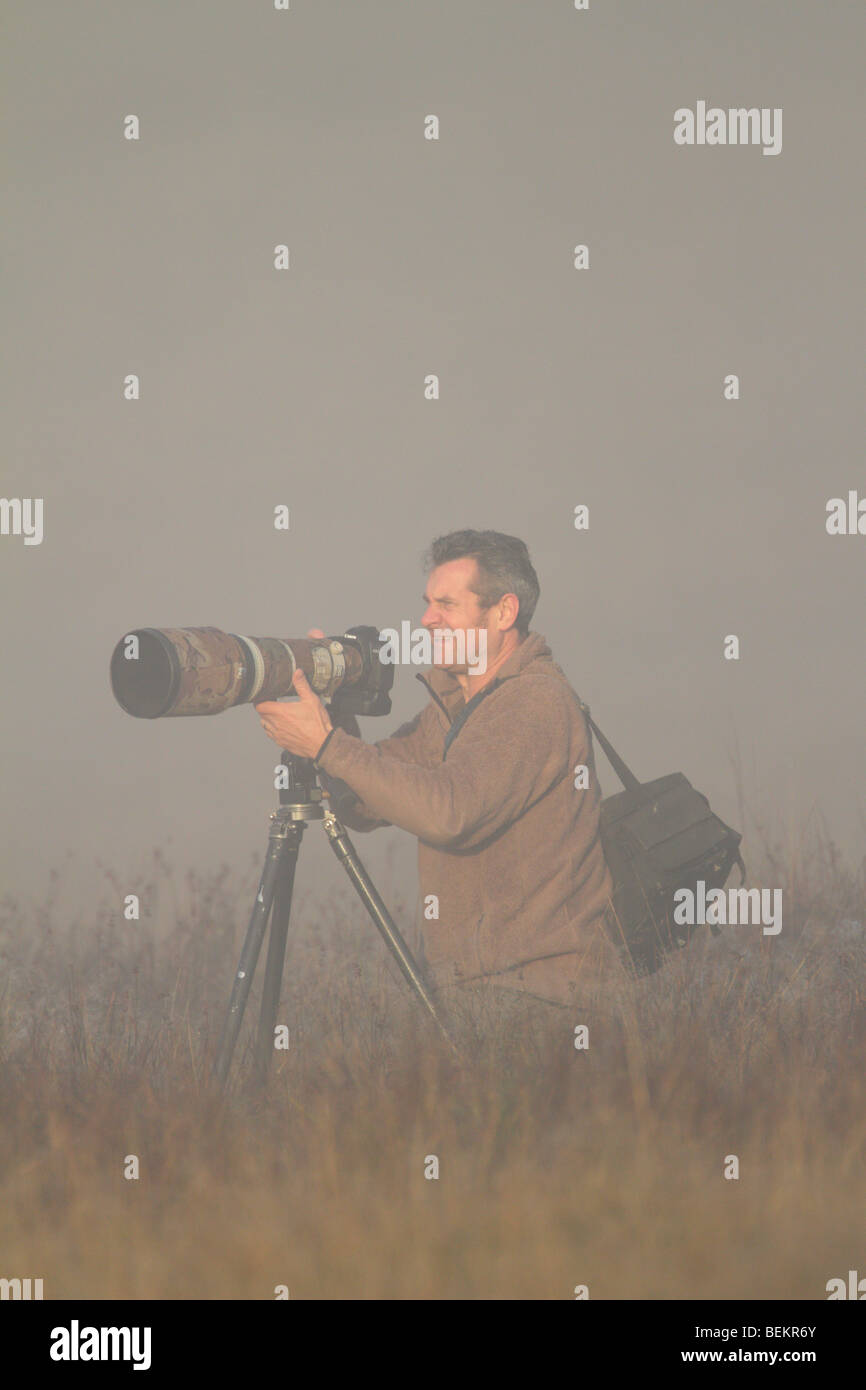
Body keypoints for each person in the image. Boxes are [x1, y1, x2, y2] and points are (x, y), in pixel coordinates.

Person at [255, 530, 620, 1034]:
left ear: (503, 612)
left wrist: (326, 745)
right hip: (482, 992)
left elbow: (449, 813)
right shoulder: (454, 707)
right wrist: (334, 716)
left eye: (447, 604)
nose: (427, 619)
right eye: (428, 603)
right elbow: (363, 804)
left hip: (545, 1000)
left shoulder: (533, 703)